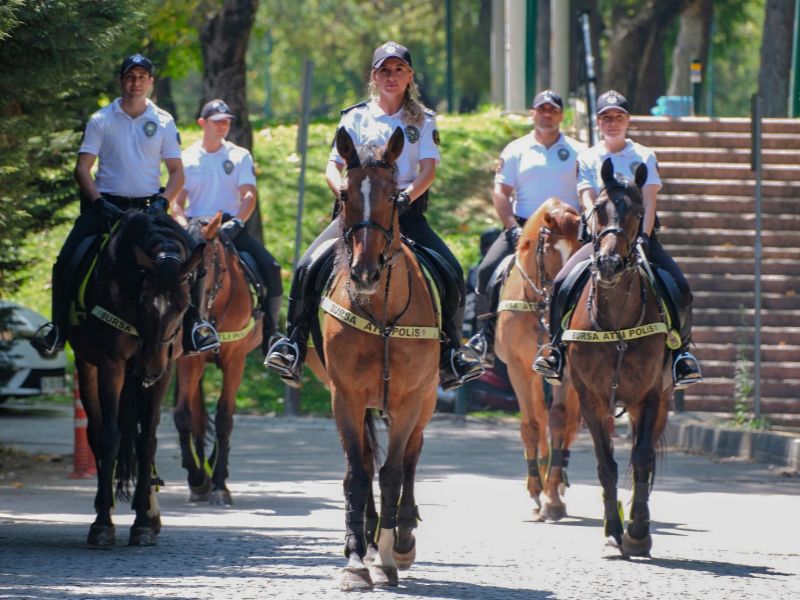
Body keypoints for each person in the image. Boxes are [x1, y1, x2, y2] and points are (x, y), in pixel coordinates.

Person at [264, 41, 483, 390]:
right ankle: (292, 344)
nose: (391, 76)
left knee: (450, 269)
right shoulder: (355, 117)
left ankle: (452, 353)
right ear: (374, 76)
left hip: (404, 212)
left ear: (410, 76)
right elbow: (333, 166)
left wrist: (405, 198)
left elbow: (428, 170)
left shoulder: (423, 120)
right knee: (307, 266)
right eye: (384, 70)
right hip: (356, 216)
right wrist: (345, 195)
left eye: (399, 70)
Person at [31, 54, 219, 356]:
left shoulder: (163, 121)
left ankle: (195, 326)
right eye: (130, 76)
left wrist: (163, 202)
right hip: (107, 208)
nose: (136, 82)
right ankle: (58, 329)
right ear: (121, 80)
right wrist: (98, 202)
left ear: (151, 82)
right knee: (66, 259)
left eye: (142, 76)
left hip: (150, 210)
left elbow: (176, 173)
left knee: (192, 256)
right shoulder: (100, 120)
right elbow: (82, 168)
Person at [532, 90, 703, 389]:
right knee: (561, 283)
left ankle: (681, 353)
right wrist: (599, 230)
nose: (613, 123)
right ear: (598, 122)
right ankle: (556, 350)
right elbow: (586, 197)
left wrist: (644, 240)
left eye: (618, 117)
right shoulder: (588, 156)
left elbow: (649, 201)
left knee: (680, 286)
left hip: (640, 238)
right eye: (606, 117)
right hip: (600, 240)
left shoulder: (644, 156)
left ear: (628, 121)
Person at [466, 90, 586, 367]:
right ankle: (484, 337)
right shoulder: (515, 149)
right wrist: (511, 229)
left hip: (568, 232)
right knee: (486, 271)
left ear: (561, 115)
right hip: (523, 228)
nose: (547, 115)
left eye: (553, 110)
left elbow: (587, 192)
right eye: (541, 109)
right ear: (532, 113)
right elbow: (501, 193)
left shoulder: (580, 151)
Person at [171, 99, 283, 354]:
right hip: (195, 228)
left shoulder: (239, 155)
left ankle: (272, 336)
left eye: (226, 121)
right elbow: (176, 203)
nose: (223, 126)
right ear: (202, 123)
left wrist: (237, 223)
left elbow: (249, 196)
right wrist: (185, 227)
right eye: (217, 121)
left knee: (271, 268)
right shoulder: (187, 157)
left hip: (229, 226)